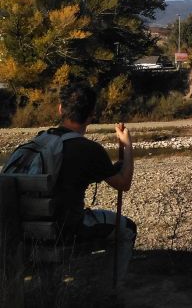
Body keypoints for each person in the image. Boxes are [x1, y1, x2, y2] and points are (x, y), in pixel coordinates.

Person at [49, 81, 136, 284]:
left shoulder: (38, 142)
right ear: (91, 115)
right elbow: (123, 183)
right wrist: (127, 145)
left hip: (25, 229)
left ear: (60, 109)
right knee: (128, 229)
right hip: (67, 231)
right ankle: (111, 289)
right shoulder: (87, 149)